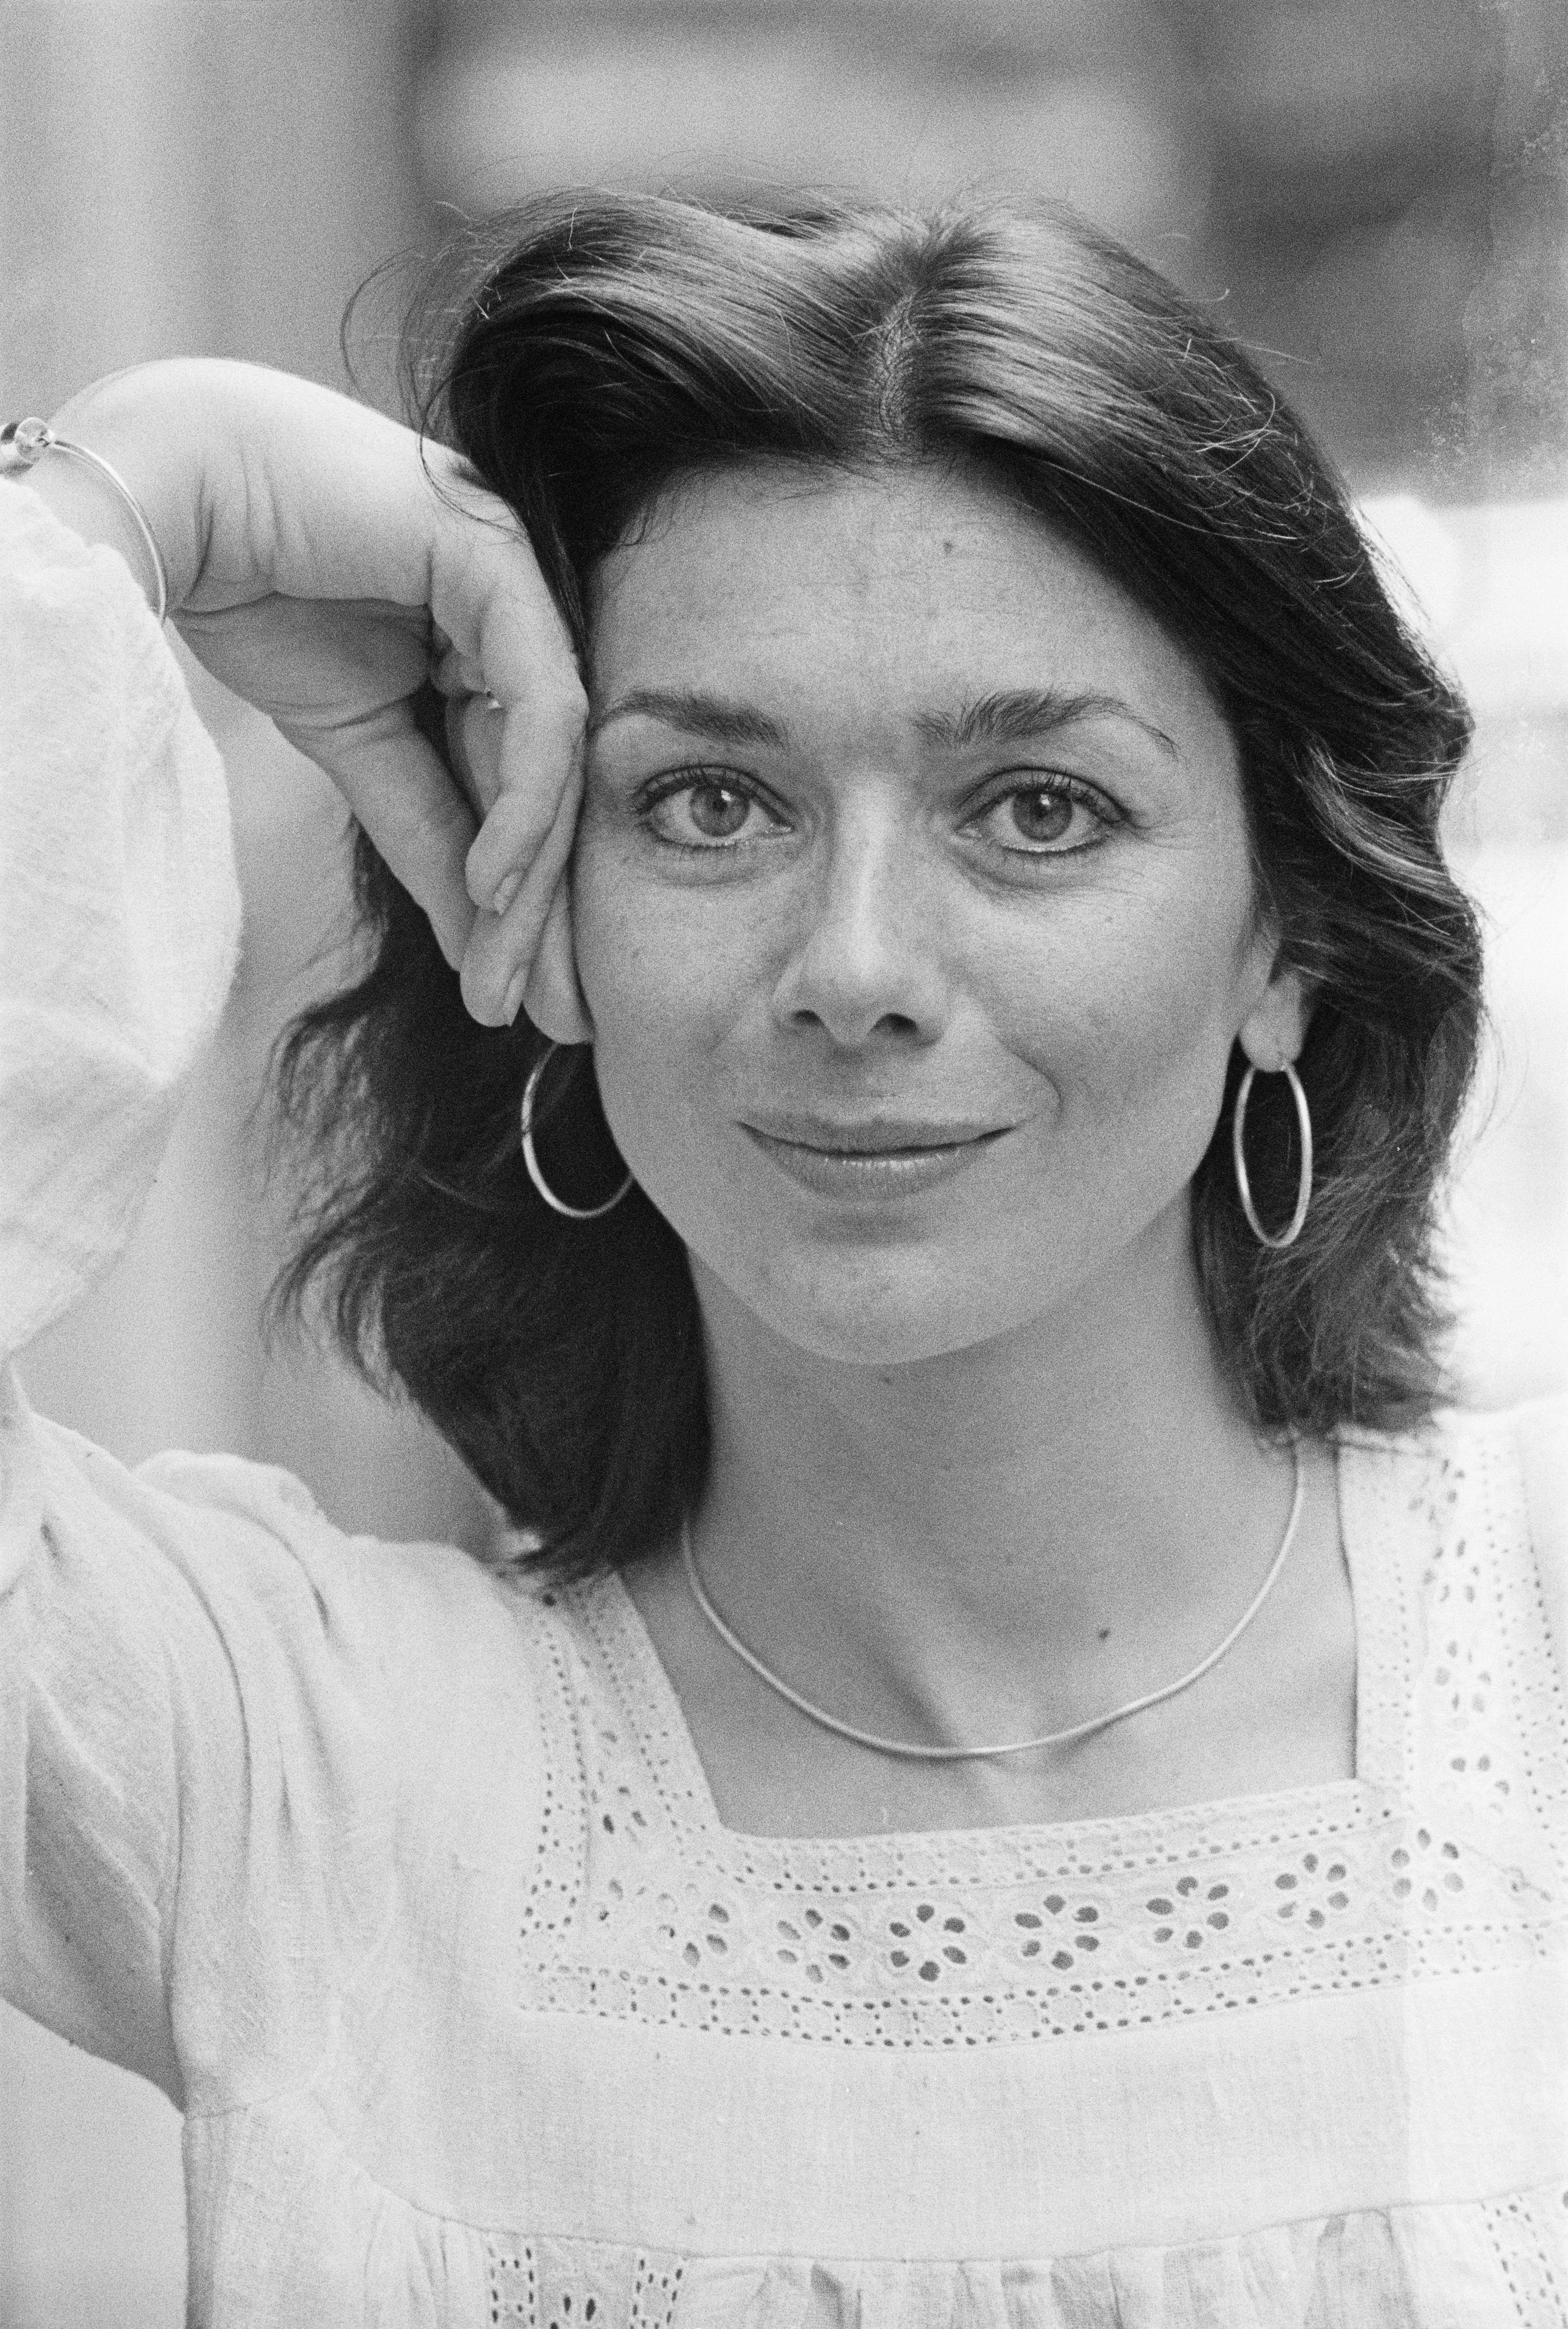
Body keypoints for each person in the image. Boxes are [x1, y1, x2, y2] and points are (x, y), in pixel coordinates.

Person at [1, 190, 1563, 2327]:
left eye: (1036, 807)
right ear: (530, 900)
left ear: (1288, 938)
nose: (855, 968)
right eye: (709, 805)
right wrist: (124, 499)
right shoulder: (280, 1774)